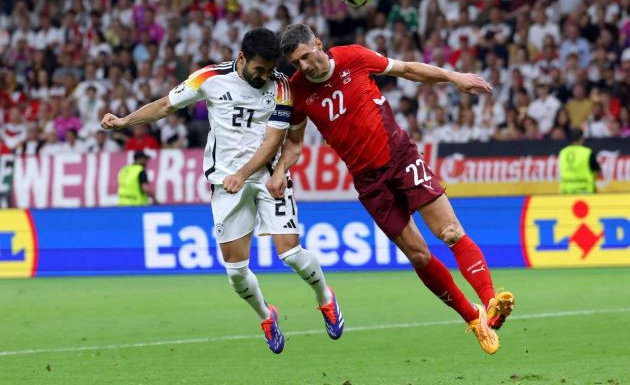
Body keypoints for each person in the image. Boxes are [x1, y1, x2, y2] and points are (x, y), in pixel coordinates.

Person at [273, 24, 514, 355]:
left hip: (400, 156)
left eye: (305, 57)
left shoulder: (353, 57)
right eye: (296, 64)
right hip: (370, 183)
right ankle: (473, 318)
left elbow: (407, 69)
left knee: (451, 231)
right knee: (418, 255)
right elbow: (295, 144)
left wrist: (454, 77)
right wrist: (280, 171)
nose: (303, 67)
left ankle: (490, 301)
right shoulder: (297, 91)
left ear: (317, 44)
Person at [101, 28, 343, 354]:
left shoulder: (282, 87)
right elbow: (166, 106)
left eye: (270, 69)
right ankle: (266, 315)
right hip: (226, 184)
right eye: (259, 69)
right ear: (242, 57)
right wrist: (124, 121)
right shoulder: (210, 78)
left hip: (267, 178)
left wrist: (244, 174)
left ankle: (325, 298)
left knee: (291, 254)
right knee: (236, 274)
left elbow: (274, 141)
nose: (264, 76)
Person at [558, 128, 601, 194]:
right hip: (585, 192)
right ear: (581, 139)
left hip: (566, 192)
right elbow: (598, 170)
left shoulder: (562, 152)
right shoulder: (587, 152)